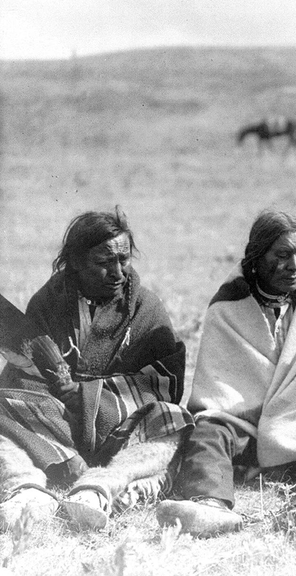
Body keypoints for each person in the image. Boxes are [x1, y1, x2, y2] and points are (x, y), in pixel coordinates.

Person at [156, 210, 296, 538]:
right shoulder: (228, 307)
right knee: (208, 428)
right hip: (246, 430)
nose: (294, 265)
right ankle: (210, 504)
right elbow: (220, 393)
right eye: (282, 255)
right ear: (256, 259)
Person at [0, 208, 192, 531]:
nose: (118, 272)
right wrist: (59, 387)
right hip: (57, 427)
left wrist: (88, 397)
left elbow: (165, 381)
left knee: (173, 421)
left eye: (124, 259)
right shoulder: (48, 303)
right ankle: (28, 491)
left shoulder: (147, 309)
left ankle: (101, 488)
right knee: (5, 408)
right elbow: (25, 377)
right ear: (75, 262)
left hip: (119, 431)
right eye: (103, 263)